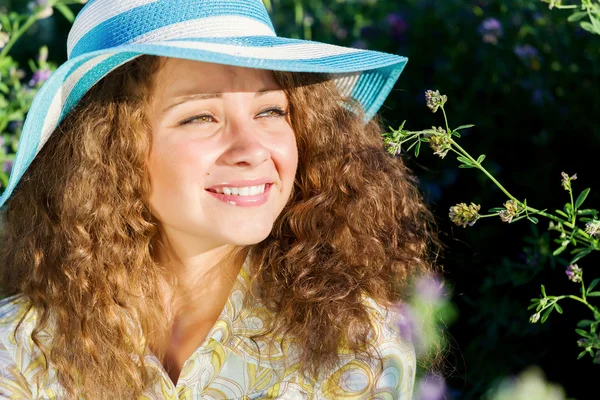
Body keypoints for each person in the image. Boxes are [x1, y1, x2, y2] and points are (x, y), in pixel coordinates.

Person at [0, 0, 440, 398]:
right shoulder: (20, 347)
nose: (251, 150)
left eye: (270, 111)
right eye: (200, 117)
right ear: (108, 152)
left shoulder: (358, 344)